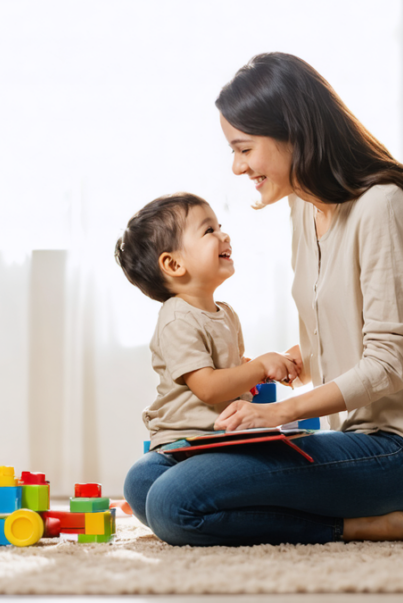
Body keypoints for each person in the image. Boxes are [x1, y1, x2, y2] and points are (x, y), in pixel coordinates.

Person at [122, 52, 403, 546]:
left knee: (173, 502)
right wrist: (295, 361)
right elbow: (342, 336)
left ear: (291, 132)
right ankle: (351, 516)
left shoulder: (383, 206)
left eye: (244, 149)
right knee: (144, 481)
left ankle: (361, 526)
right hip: (352, 438)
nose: (237, 166)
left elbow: (390, 364)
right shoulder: (302, 208)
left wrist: (277, 414)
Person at [114, 193, 301, 451]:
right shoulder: (177, 318)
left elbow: (229, 370)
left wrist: (268, 368)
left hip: (223, 437)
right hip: (185, 442)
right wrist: (259, 366)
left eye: (220, 228)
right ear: (174, 263)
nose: (225, 236)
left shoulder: (225, 314)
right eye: (209, 230)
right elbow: (209, 388)